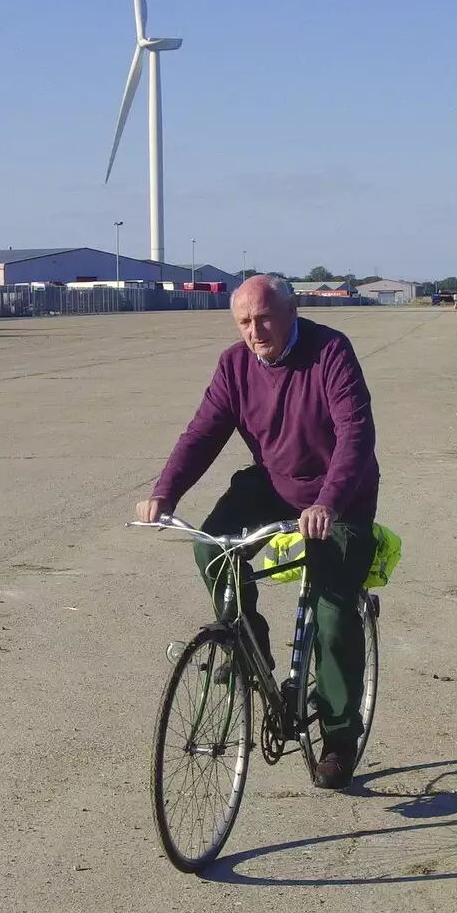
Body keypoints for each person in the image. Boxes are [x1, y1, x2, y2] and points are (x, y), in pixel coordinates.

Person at [136, 275, 380, 789]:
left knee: (333, 611)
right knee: (212, 547)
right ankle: (251, 648)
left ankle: (339, 737)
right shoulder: (235, 365)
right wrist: (165, 493)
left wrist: (329, 502)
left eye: (264, 317)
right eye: (244, 322)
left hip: (340, 496)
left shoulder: (330, 351)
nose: (255, 331)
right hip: (273, 482)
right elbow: (202, 433)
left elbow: (355, 434)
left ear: (291, 310)